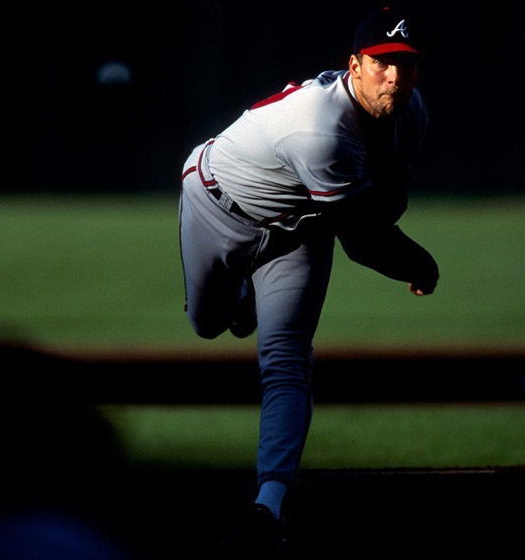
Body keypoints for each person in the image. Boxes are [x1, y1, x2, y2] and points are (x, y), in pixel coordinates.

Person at [178, 5, 439, 552]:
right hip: (217, 205)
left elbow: (380, 208)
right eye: (382, 63)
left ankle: (268, 506)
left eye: (407, 65)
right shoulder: (320, 128)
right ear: (354, 65)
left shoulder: (410, 111)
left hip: (301, 228)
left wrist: (378, 219)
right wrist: (419, 264)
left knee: (287, 358)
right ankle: (239, 294)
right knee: (207, 324)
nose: (396, 77)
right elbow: (364, 240)